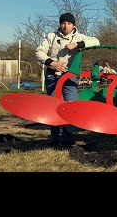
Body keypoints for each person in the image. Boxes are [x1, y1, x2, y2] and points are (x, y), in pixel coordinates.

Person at [36, 12, 100, 148]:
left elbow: (96, 42)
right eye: (63, 23)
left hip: (70, 77)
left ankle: (67, 138)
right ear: (60, 24)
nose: (66, 26)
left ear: (73, 25)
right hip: (53, 75)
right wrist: (52, 63)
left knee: (71, 105)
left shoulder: (78, 37)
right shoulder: (51, 37)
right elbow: (39, 52)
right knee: (53, 106)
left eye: (69, 23)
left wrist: (77, 44)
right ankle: (54, 139)